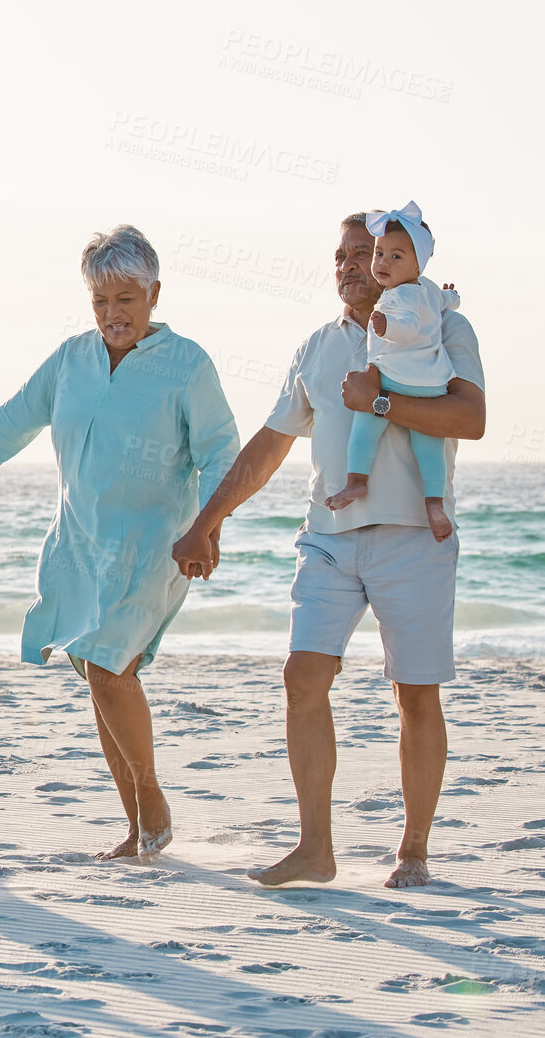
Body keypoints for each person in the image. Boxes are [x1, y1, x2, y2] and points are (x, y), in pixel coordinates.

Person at [172, 212, 485, 889]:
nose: (347, 265)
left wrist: (380, 405)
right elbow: (269, 445)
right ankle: (316, 849)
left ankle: (414, 850)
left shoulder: (444, 327)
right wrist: (208, 520)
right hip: (328, 541)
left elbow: (471, 419)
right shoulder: (317, 345)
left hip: (414, 541)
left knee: (415, 694)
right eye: (339, 255)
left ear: (395, 260)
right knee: (302, 677)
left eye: (362, 254)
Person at [0, 225, 239, 860]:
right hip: (81, 543)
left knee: (110, 667)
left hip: (155, 545)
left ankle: (152, 804)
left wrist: (207, 529)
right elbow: (9, 423)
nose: (113, 315)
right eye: (100, 301)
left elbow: (223, 452)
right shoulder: (71, 360)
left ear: (154, 294)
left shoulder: (187, 365)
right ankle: (139, 825)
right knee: (95, 669)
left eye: (126, 299)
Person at [325, 202, 461, 542]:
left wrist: (386, 327)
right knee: (429, 450)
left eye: (395, 257)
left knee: (364, 430)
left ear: (418, 265)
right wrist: (451, 295)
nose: (382, 263)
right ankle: (434, 504)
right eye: (380, 255)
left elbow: (409, 327)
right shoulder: (428, 291)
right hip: (431, 386)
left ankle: (356, 482)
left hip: (395, 381)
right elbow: (449, 302)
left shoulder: (399, 299)